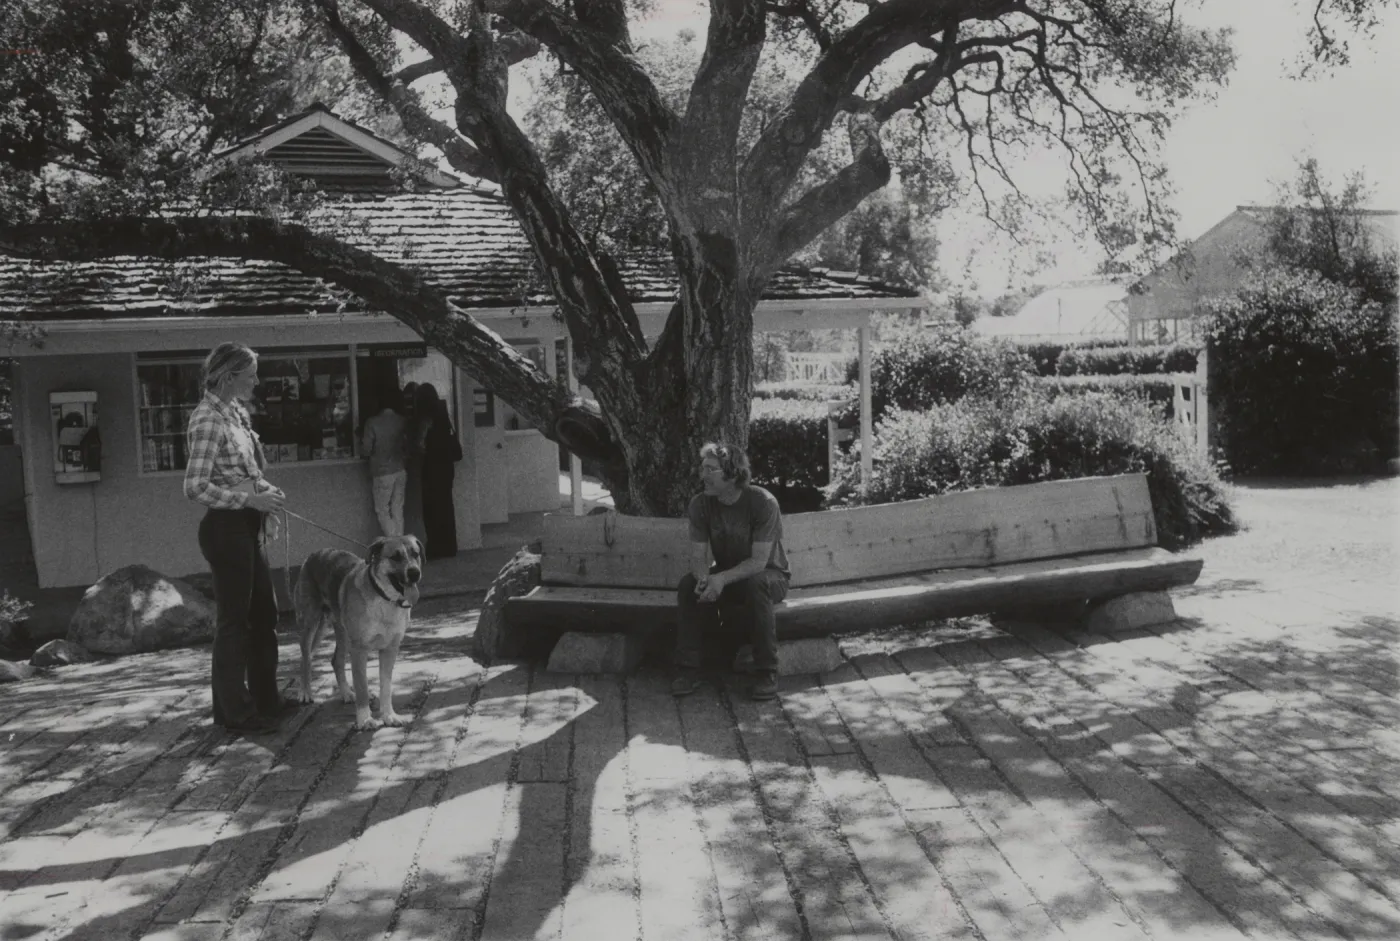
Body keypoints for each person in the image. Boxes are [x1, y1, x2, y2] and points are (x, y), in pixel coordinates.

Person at [184, 342, 292, 735]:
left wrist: (265, 496)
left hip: (247, 524)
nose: (256, 381)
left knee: (265, 614)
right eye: (250, 375)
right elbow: (195, 487)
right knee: (235, 623)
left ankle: (267, 700)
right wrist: (248, 499)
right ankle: (235, 713)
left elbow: (245, 470)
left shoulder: (236, 415)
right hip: (225, 529)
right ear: (229, 376)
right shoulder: (207, 420)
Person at [671, 442, 790, 701]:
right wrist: (704, 579)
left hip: (771, 576)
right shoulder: (700, 504)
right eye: (703, 469)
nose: (703, 475)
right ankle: (688, 669)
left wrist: (720, 579)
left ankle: (766, 671)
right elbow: (698, 556)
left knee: (756, 583)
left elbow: (759, 561)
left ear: (732, 473)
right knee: (687, 585)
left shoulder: (762, 502)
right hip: (728, 577)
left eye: (711, 470)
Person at [412, 383, 460, 559]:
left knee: (431, 509)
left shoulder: (426, 418)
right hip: (446, 467)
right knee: (446, 506)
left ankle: (435, 547)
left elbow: (420, 445)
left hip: (431, 468)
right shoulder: (444, 414)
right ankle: (450, 547)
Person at [361, 384, 408, 536]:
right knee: (397, 508)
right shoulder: (402, 421)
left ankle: (394, 542)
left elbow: (366, 450)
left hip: (382, 471)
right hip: (400, 469)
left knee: (382, 510)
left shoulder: (372, 422)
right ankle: (401, 542)